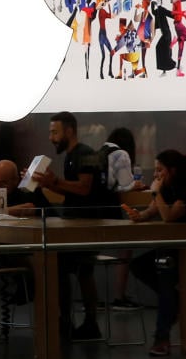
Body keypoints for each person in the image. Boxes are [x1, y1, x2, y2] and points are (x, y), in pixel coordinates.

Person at [127, 150, 186, 357]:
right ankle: (176, 302)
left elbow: (168, 216)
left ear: (173, 170)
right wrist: (139, 216)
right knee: (141, 265)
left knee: (165, 272)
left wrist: (155, 192)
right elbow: (153, 211)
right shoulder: (169, 186)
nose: (156, 175)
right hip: (177, 248)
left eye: (160, 170)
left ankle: (162, 337)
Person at [31, 111, 103, 341]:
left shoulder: (88, 154)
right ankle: (70, 321)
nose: (51, 137)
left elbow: (85, 189)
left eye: (54, 132)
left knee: (62, 265)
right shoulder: (72, 155)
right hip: (74, 226)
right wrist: (48, 183)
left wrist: (54, 182)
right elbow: (73, 190)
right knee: (71, 268)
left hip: (86, 228)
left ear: (69, 131)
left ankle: (71, 321)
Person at [101, 127, 145, 311]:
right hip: (109, 211)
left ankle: (96, 299)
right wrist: (140, 185)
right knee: (125, 248)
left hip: (93, 212)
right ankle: (119, 296)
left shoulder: (100, 151)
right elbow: (126, 185)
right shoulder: (121, 154)